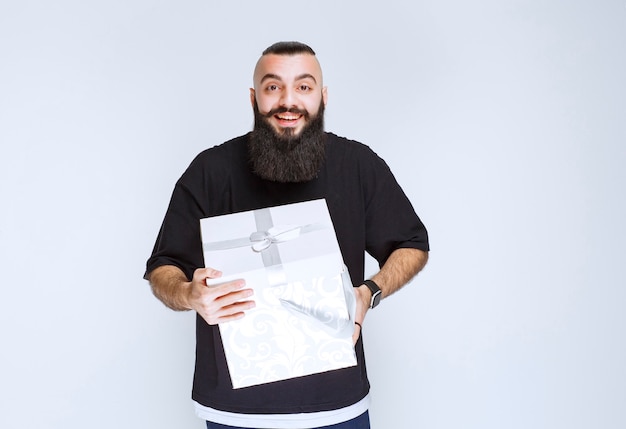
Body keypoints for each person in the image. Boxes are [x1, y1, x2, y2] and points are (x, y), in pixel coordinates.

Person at [145, 41, 429, 429]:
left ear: (323, 97)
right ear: (254, 97)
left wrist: (369, 293)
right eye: (273, 86)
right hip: (232, 411)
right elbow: (164, 266)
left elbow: (411, 243)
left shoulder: (359, 165)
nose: (288, 101)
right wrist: (189, 294)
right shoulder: (210, 171)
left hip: (337, 407)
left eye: (304, 87)